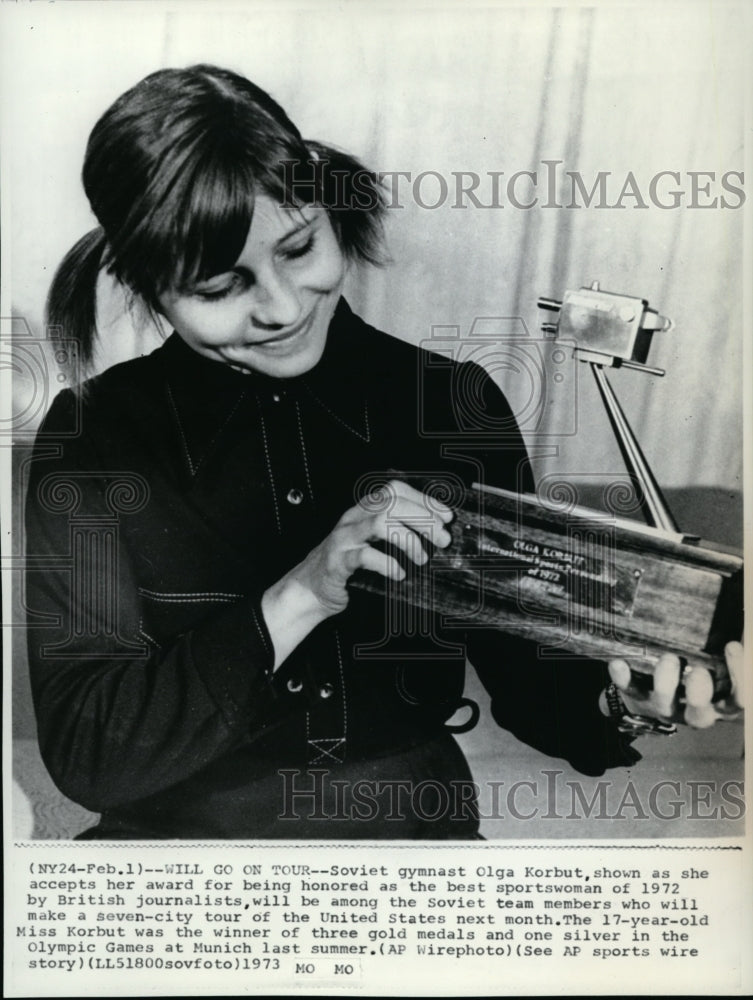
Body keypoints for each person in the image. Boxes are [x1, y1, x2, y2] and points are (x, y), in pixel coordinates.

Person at [25, 64, 743, 840]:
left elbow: (532, 687)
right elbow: (89, 754)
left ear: (330, 216)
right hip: (180, 852)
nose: (283, 307)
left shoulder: (451, 405)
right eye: (219, 286)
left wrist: (622, 700)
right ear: (149, 286)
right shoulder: (95, 435)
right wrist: (301, 592)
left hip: (409, 834)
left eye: (299, 249)